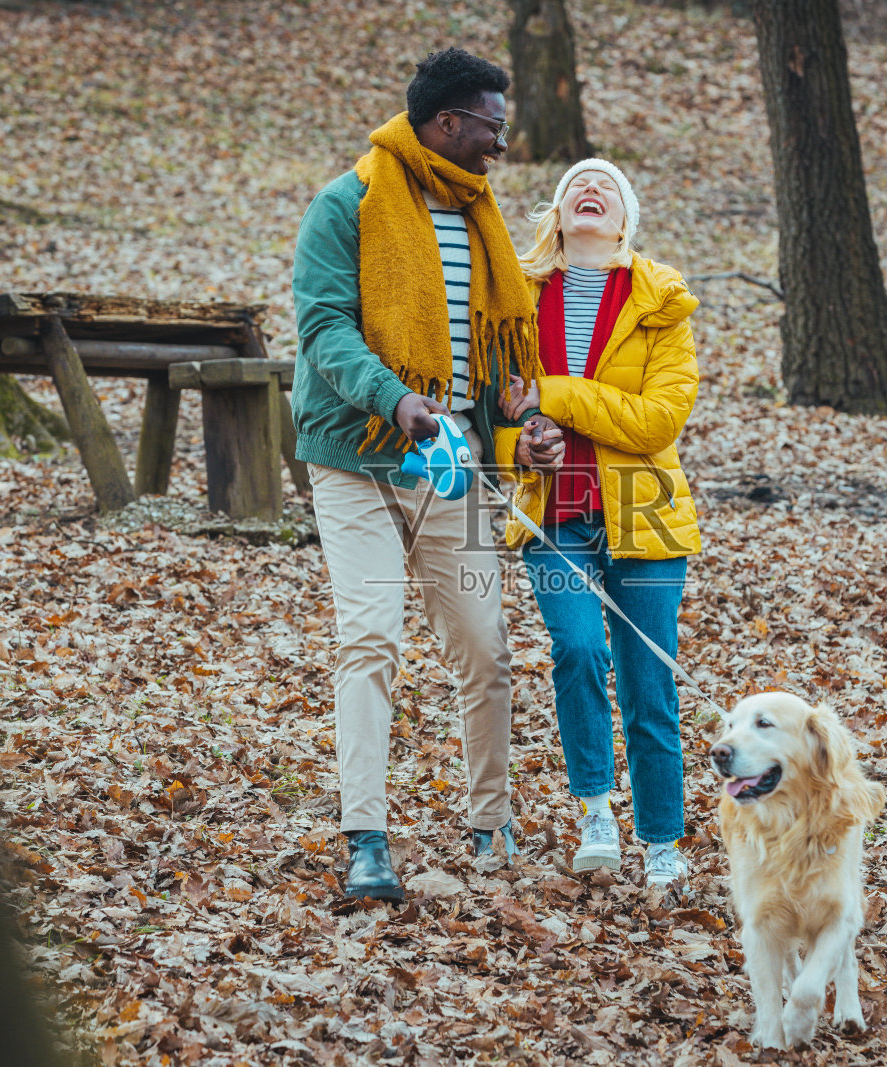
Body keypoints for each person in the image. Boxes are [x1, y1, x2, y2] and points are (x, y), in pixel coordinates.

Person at [291, 48, 564, 903]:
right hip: (357, 462)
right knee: (370, 638)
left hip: (457, 472)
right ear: (448, 124)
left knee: (487, 647)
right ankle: (365, 839)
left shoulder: (483, 221)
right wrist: (397, 399)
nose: (501, 145)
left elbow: (492, 366)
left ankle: (491, 821)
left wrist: (521, 434)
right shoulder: (348, 206)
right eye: (493, 126)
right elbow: (325, 330)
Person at [500, 159, 702, 891]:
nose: (592, 190)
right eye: (578, 186)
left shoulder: (662, 303)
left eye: (608, 187)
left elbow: (658, 419)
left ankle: (662, 840)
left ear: (625, 220)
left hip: (644, 519)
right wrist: (516, 440)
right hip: (553, 513)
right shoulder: (516, 301)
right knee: (579, 649)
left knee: (650, 681)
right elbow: (496, 412)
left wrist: (557, 395)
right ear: (559, 213)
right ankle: (595, 812)